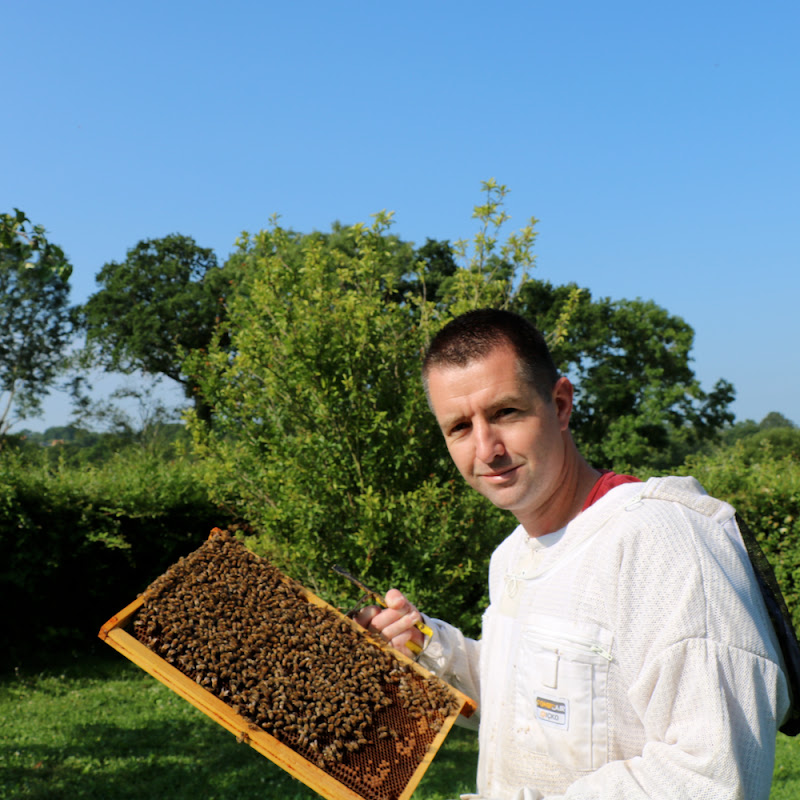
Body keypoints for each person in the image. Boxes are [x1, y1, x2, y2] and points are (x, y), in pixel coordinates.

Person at [355, 308, 791, 800]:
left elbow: (714, 776)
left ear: (560, 404)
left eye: (505, 413)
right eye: (459, 427)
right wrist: (430, 646)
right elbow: (529, 702)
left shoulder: (664, 541)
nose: (486, 449)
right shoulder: (511, 557)